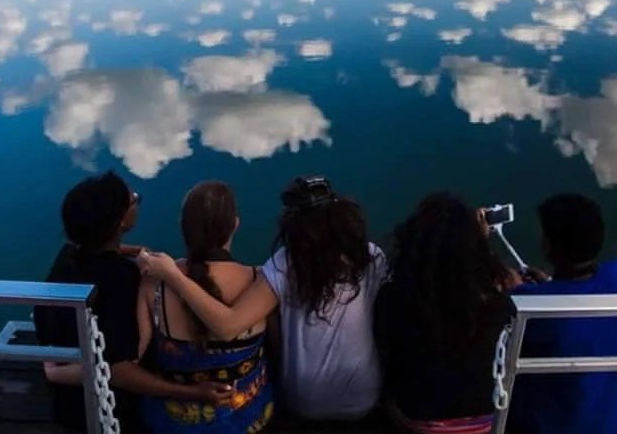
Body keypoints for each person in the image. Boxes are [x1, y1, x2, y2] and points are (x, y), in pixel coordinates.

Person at [140, 175, 387, 423]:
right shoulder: (372, 257)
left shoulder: (286, 264)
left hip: (304, 401)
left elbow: (228, 327)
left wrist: (173, 275)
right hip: (363, 398)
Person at [33, 172, 232, 433]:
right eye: (134, 200)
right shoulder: (122, 280)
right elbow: (117, 369)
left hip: (64, 390)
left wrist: (131, 251)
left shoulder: (69, 255)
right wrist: (191, 393)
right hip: (104, 409)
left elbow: (100, 253)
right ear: (120, 223)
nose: (137, 200)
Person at [374, 192, 517, 434]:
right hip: (486, 419)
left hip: (416, 418)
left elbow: (385, 351)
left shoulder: (393, 296)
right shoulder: (496, 301)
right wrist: (482, 244)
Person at [137, 181, 274, 433]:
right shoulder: (260, 281)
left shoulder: (155, 283)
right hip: (248, 420)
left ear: (184, 228)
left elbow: (131, 358)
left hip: (170, 423)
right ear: (235, 225)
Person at [509, 193, 617, 434]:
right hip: (612, 426)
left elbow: (502, 322)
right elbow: (582, 290)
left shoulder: (533, 307)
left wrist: (514, 288)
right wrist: (550, 284)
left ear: (548, 246)